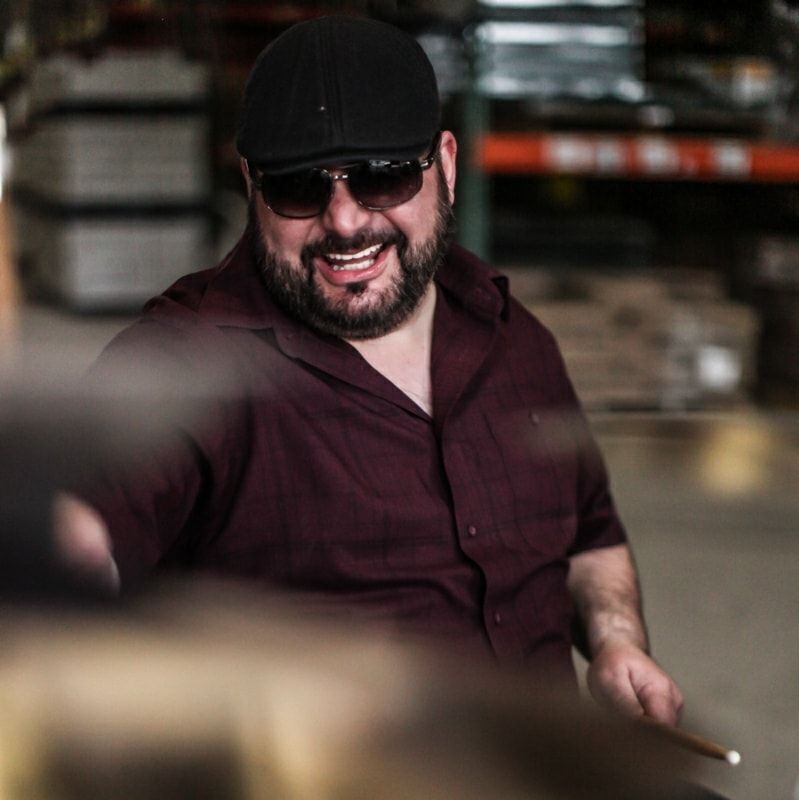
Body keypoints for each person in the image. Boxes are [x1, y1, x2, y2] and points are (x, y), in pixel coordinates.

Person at [63, 15, 683, 725]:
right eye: (299, 187)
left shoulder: (514, 337)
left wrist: (615, 642)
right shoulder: (185, 364)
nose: (346, 221)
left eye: (382, 177)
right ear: (250, 184)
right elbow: (74, 533)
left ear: (445, 164)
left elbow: (590, 538)